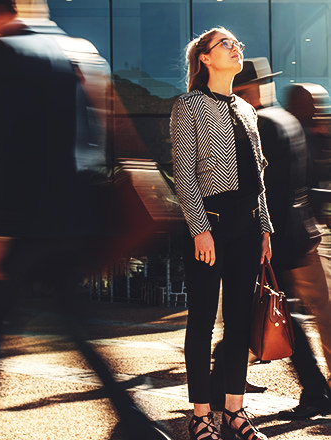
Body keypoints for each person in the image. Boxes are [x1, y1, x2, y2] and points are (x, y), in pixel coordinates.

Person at [0, 1, 172, 439]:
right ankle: (135, 422)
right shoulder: (75, 49)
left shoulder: (8, 53)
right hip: (76, 217)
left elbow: (14, 152)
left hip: (25, 225)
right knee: (77, 328)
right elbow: (80, 138)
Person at [170, 27, 272, 440]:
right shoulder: (189, 106)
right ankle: (200, 415)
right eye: (227, 44)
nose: (236, 48)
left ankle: (234, 411)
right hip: (210, 226)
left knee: (239, 321)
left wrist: (265, 228)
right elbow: (184, 173)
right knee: (201, 323)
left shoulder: (247, 110)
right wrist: (200, 229)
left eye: (237, 43)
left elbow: (258, 178)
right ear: (206, 58)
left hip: (248, 227)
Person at [233, 58, 331, 420]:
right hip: (302, 234)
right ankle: (317, 388)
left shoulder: (257, 126)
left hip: (276, 240)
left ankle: (315, 390)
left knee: (277, 315)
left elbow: (258, 191)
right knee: (306, 314)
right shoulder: (287, 121)